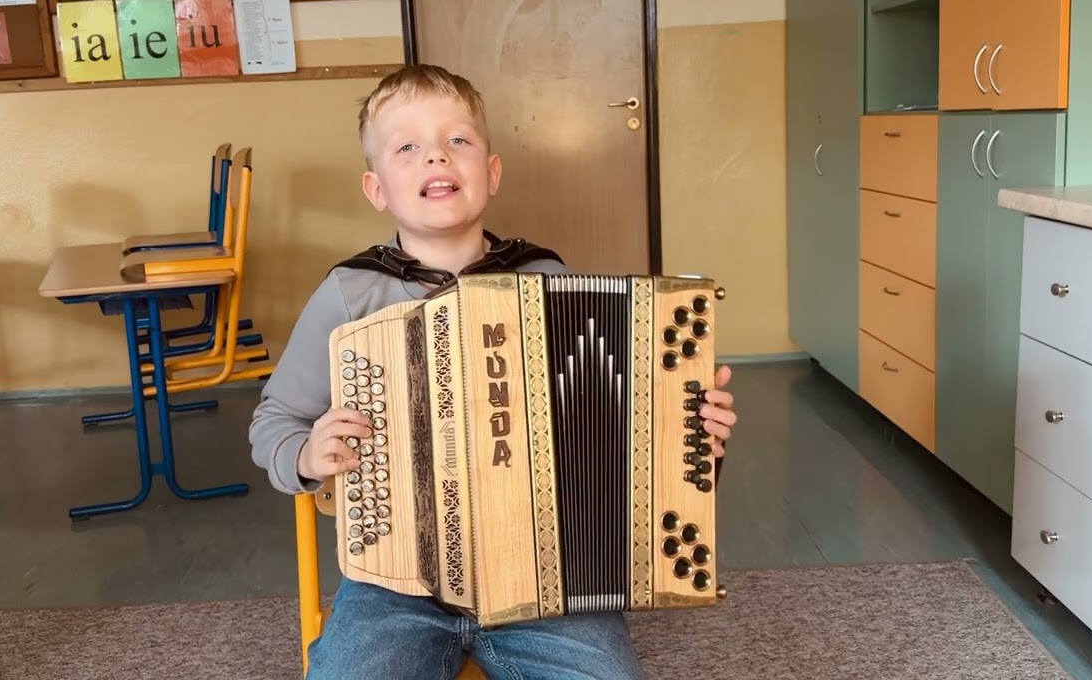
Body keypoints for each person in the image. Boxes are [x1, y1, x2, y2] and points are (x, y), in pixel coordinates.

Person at [249, 64, 738, 680]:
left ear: (492, 172)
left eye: (459, 140)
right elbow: (275, 420)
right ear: (377, 190)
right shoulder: (351, 294)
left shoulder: (549, 281)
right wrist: (304, 455)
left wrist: (692, 440)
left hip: (546, 577)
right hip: (395, 586)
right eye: (407, 147)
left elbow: (622, 439)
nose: (436, 158)